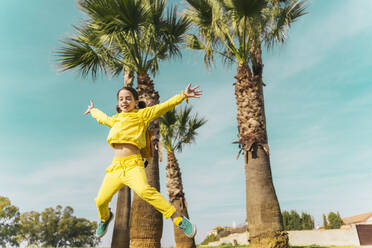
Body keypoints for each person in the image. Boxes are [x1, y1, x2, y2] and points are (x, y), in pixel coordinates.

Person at [84, 83, 202, 238]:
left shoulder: (141, 115)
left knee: (145, 191)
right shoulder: (115, 119)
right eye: (121, 99)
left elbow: (163, 107)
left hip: (133, 164)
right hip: (115, 167)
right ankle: (105, 218)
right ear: (118, 103)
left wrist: (183, 95)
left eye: (128, 98)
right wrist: (93, 110)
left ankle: (178, 219)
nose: (124, 101)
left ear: (135, 102)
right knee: (100, 200)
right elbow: (102, 118)